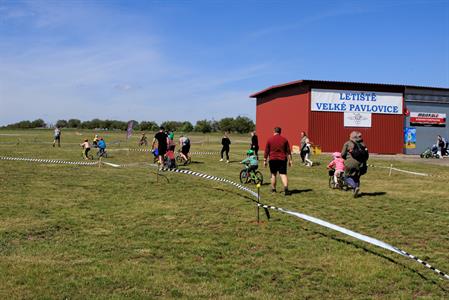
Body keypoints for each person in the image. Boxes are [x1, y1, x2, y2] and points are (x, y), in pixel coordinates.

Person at [264, 127, 293, 195]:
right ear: (280, 132)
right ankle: (286, 189)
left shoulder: (269, 139)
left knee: (273, 174)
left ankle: (273, 190)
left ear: (274, 131)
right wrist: (290, 160)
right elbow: (288, 151)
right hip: (282, 159)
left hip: (272, 159)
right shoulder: (284, 140)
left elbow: (266, 151)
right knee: (283, 174)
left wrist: (265, 160)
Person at [341, 131, 369, 198]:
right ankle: (355, 192)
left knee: (345, 177)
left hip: (350, 163)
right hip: (361, 164)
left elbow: (342, 154)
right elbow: (366, 155)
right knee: (356, 177)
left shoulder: (347, 143)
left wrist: (346, 158)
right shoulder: (363, 144)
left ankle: (354, 187)